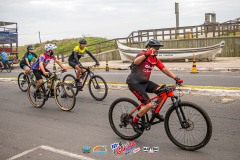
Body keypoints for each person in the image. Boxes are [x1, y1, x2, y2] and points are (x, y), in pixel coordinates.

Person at [126, 39, 183, 134]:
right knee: (148, 104)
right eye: (155, 48)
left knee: (162, 92)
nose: (157, 50)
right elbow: (135, 62)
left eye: (158, 48)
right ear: (148, 47)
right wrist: (146, 54)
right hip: (134, 83)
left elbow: (164, 69)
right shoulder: (142, 54)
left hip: (145, 82)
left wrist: (176, 78)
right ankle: (134, 121)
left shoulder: (155, 59)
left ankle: (154, 110)